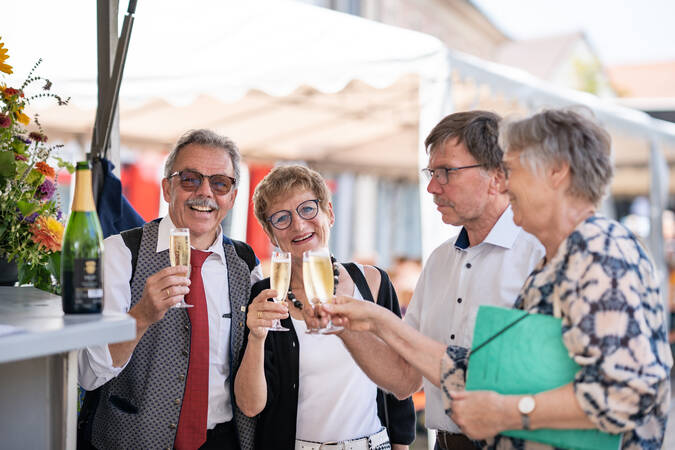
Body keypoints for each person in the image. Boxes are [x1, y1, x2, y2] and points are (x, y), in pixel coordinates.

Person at [325, 109, 673, 449]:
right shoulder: (560, 259)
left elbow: (629, 391)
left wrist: (508, 411)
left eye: (513, 169)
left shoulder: (598, 249)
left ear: (557, 172)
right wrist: (373, 320)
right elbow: (491, 374)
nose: (505, 182)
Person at [318, 111, 543, 449]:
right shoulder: (439, 260)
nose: (432, 187)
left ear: (497, 176)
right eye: (431, 172)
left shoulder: (538, 255)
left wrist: (378, 319)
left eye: (446, 172)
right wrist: (342, 324)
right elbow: (405, 379)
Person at [78, 129, 263, 450]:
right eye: (190, 179)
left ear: (232, 197)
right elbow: (88, 374)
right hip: (131, 441)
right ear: (167, 187)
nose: (205, 192)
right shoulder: (121, 253)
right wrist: (140, 318)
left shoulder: (247, 264)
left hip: (222, 440)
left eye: (220, 183)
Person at [233, 165, 416, 450]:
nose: (298, 225)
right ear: (271, 235)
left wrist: (401, 446)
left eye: (307, 209)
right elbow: (250, 406)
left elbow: (398, 385)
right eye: (282, 218)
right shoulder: (264, 297)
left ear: (329, 213)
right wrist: (256, 337)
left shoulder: (373, 282)